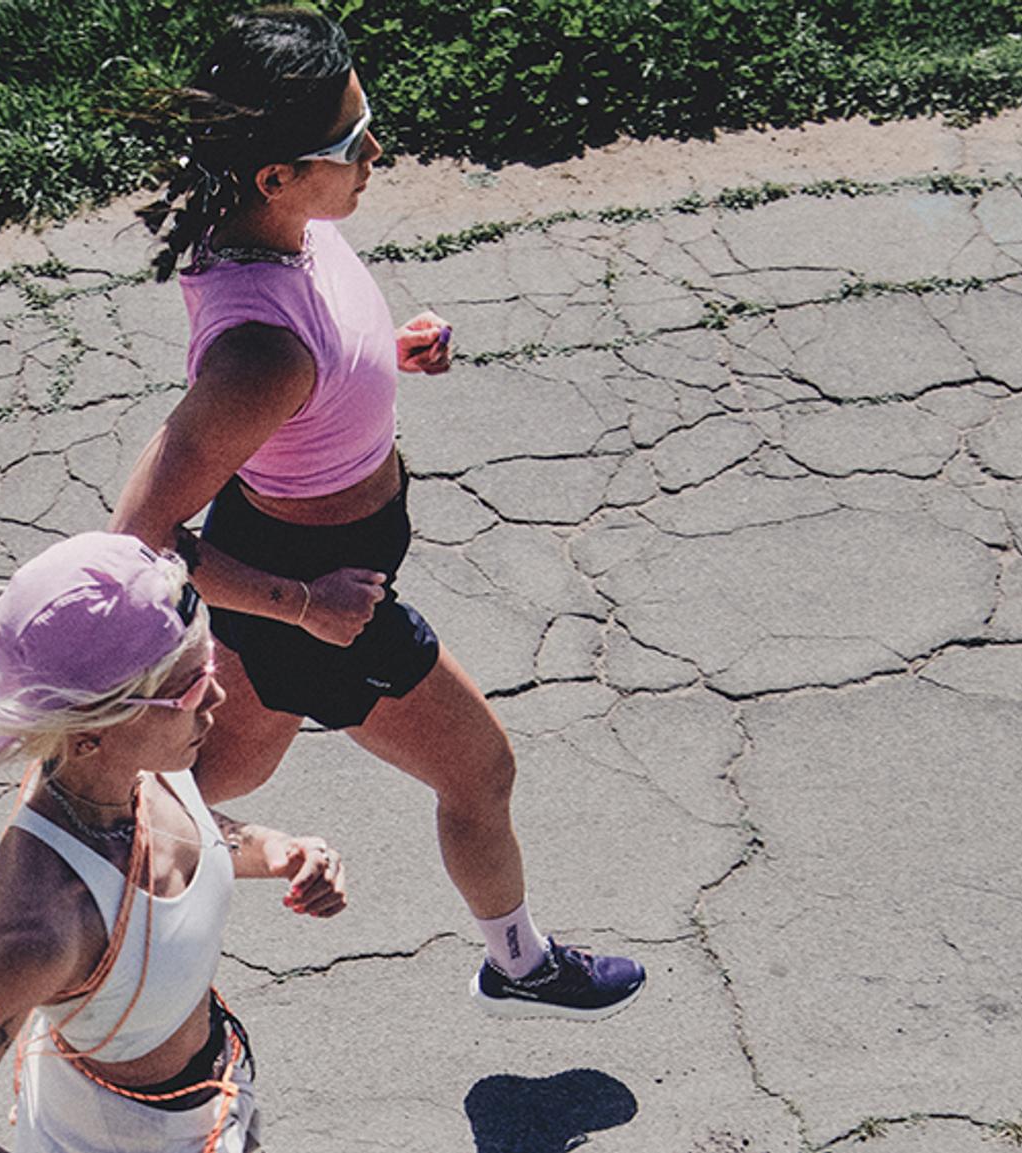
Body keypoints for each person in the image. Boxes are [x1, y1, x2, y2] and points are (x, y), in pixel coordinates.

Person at [112, 7, 643, 1019]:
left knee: (209, 774)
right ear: (277, 173)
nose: (376, 152)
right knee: (481, 771)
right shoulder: (259, 354)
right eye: (352, 141)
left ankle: (49, 858)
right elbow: (138, 540)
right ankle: (519, 963)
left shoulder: (278, 231)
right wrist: (304, 606)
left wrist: (378, 359)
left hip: (300, 565)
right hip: (321, 593)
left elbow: (308, 374)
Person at [0, 532, 348, 1153]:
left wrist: (275, 850)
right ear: (92, 732)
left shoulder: (139, 768)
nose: (218, 696)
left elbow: (182, 833)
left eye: (208, 664)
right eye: (191, 689)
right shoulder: (42, 933)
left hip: (212, 1094)